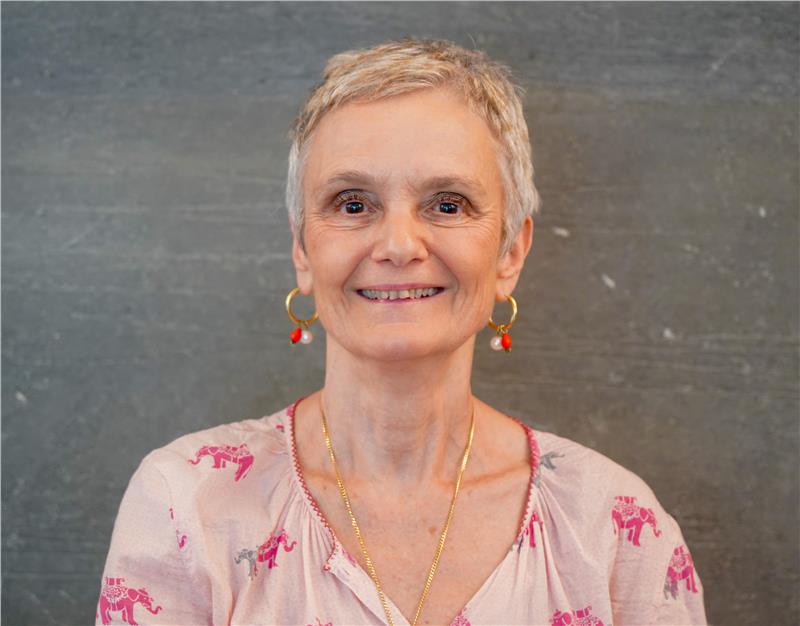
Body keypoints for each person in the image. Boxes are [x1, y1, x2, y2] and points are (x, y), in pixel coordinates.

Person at [95, 37, 707, 626]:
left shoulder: (614, 529)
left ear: (510, 254)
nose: (397, 245)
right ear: (302, 249)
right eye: (352, 204)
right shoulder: (188, 504)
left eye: (447, 204)